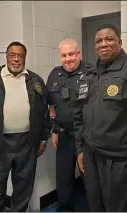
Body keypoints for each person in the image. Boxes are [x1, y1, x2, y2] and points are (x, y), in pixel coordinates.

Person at [73, 24, 127, 211]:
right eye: (98, 41)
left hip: (120, 159)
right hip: (91, 155)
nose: (103, 44)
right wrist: (80, 149)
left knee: (118, 208)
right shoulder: (88, 74)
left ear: (120, 42)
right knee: (95, 205)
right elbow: (79, 114)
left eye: (109, 39)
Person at [0, 41, 51, 212]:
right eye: (12, 55)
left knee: (24, 187)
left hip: (27, 143)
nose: (16, 59)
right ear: (6, 57)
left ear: (24, 57)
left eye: (20, 56)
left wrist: (44, 138)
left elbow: (43, 112)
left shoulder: (36, 81)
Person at [46, 39, 92, 212]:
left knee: (89, 181)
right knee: (63, 182)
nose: (68, 59)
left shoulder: (91, 73)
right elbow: (51, 105)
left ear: (78, 53)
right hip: (64, 137)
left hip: (86, 137)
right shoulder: (54, 75)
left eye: (71, 54)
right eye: (64, 55)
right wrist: (54, 129)